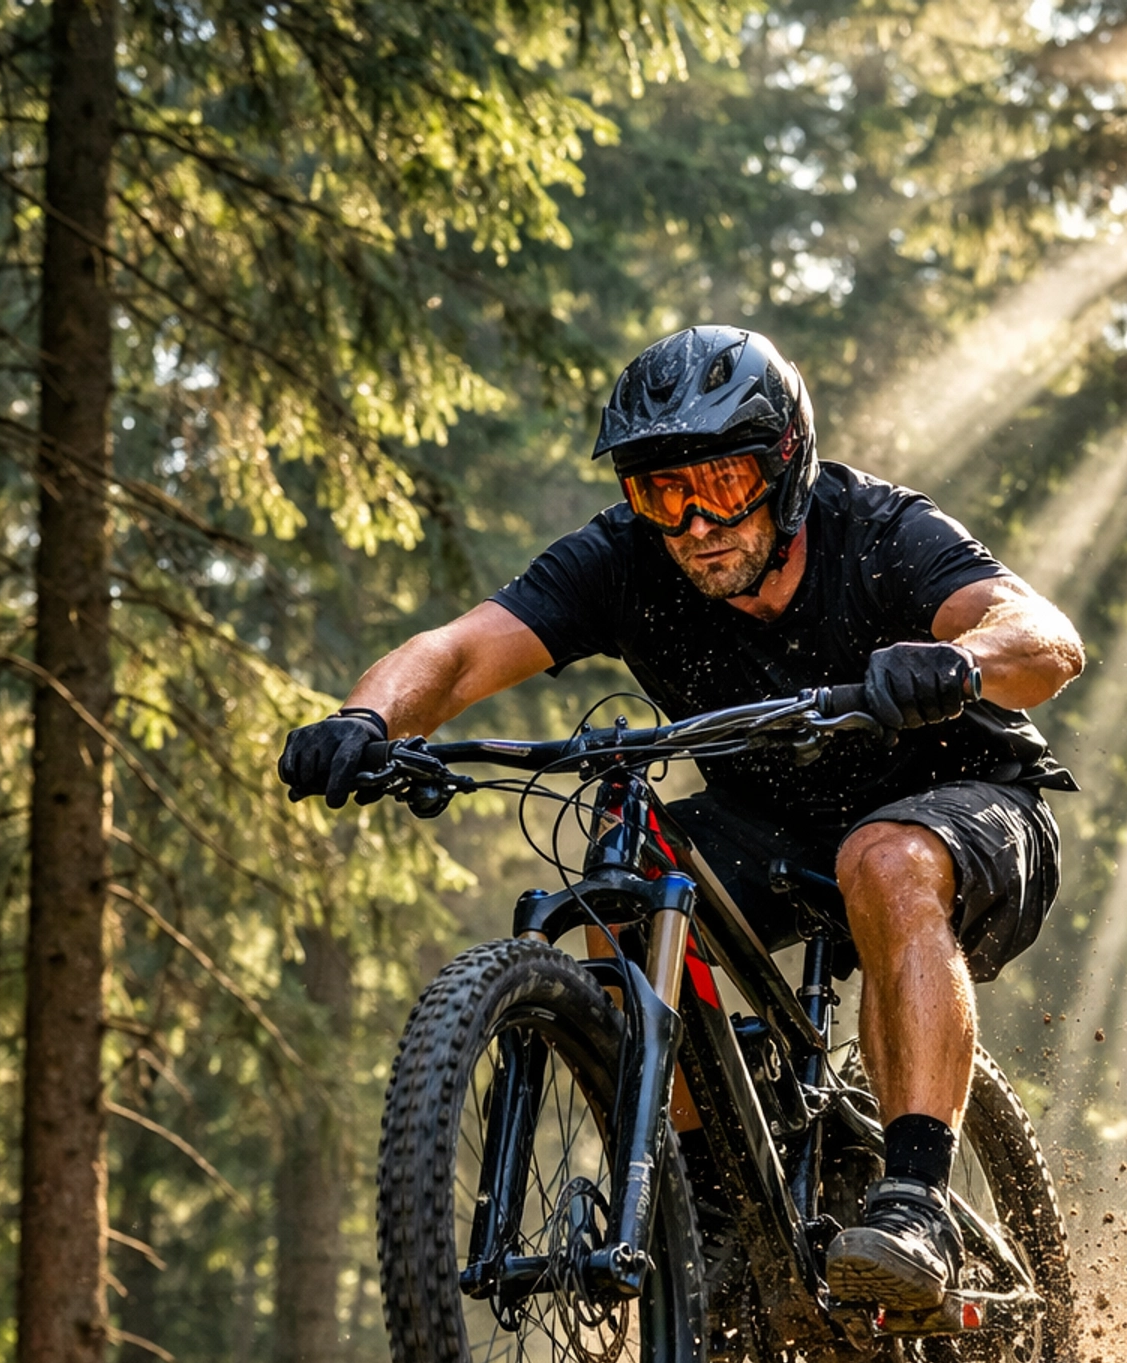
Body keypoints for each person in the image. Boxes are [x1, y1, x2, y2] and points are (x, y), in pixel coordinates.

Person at [278, 326, 1084, 1311]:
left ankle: (913, 1198)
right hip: (772, 822)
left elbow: (1044, 637)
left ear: (786, 465)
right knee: (623, 903)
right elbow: (454, 653)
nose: (697, 523)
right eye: (662, 494)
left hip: (966, 800)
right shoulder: (625, 563)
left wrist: (961, 662)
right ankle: (715, 1213)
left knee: (884, 858)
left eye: (722, 485)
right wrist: (366, 719)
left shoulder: (876, 528)